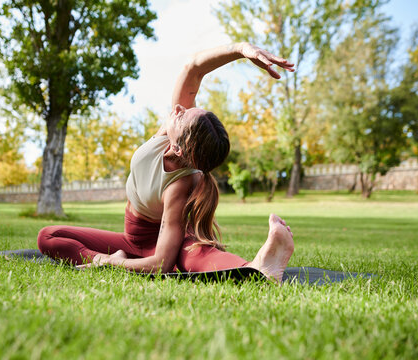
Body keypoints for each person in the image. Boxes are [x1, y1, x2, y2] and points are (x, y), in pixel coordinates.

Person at [37, 42, 295, 281]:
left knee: (192, 255)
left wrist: (108, 263)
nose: (179, 109)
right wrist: (241, 49)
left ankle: (255, 268)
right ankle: (253, 266)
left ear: (180, 149)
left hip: (162, 244)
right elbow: (193, 67)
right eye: (188, 108)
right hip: (130, 240)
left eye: (183, 116)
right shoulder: (172, 131)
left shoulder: (178, 186)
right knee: (48, 237)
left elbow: (161, 263)